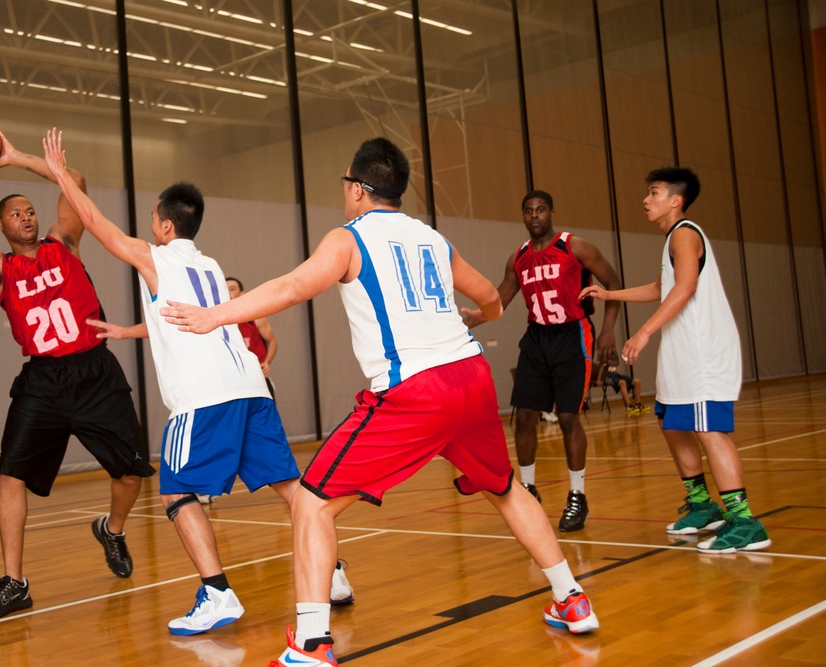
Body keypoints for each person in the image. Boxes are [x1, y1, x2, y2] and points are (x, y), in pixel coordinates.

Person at [161, 137, 599, 666]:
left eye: (346, 181)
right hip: (472, 378)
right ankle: (572, 599)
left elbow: (295, 285)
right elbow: (488, 294)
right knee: (504, 487)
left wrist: (215, 316)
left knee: (313, 503)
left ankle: (311, 644)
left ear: (359, 189)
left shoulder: (349, 239)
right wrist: (480, 317)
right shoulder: (432, 238)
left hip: (415, 390)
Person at [41, 129, 353, 636]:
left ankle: (216, 593)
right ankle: (333, 574)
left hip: (205, 398)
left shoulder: (157, 258)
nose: (147, 229)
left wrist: (59, 175)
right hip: (251, 388)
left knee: (174, 491)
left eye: (151, 221)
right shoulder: (209, 266)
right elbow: (182, 319)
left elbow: (96, 225)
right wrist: (128, 329)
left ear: (165, 225)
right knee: (291, 487)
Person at [0, 133, 156, 620]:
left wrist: (15, 157)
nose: (27, 216)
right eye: (15, 213)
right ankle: (15, 582)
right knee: (9, 475)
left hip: (95, 370)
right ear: (1, 225)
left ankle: (113, 530)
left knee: (131, 472)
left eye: (30, 210)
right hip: (43, 381)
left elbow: (74, 181)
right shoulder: (0, 271)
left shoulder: (65, 242)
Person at [580, 166, 770, 554]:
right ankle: (702, 506)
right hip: (681, 352)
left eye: (654, 192)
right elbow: (660, 287)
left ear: (675, 200)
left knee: (709, 431)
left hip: (702, 352)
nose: (646, 200)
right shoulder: (673, 240)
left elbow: (685, 287)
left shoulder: (684, 233)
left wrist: (644, 331)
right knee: (672, 423)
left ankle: (745, 521)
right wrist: (609, 295)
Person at [464, 190, 622, 532]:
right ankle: (529, 490)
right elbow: (500, 300)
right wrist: (474, 317)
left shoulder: (575, 247)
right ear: (523, 217)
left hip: (572, 334)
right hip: (536, 338)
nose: (534, 215)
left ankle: (577, 496)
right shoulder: (518, 257)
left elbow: (613, 283)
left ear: (551, 212)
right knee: (524, 418)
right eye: (528, 211)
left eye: (540, 209)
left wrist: (608, 331)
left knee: (568, 418)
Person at [226, 276, 278, 398]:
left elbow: (272, 341)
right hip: (234, 382)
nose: (228, 293)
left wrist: (267, 362)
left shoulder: (255, 317)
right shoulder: (217, 322)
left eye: (232, 289)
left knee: (265, 415)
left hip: (258, 377)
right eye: (225, 289)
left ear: (242, 294)